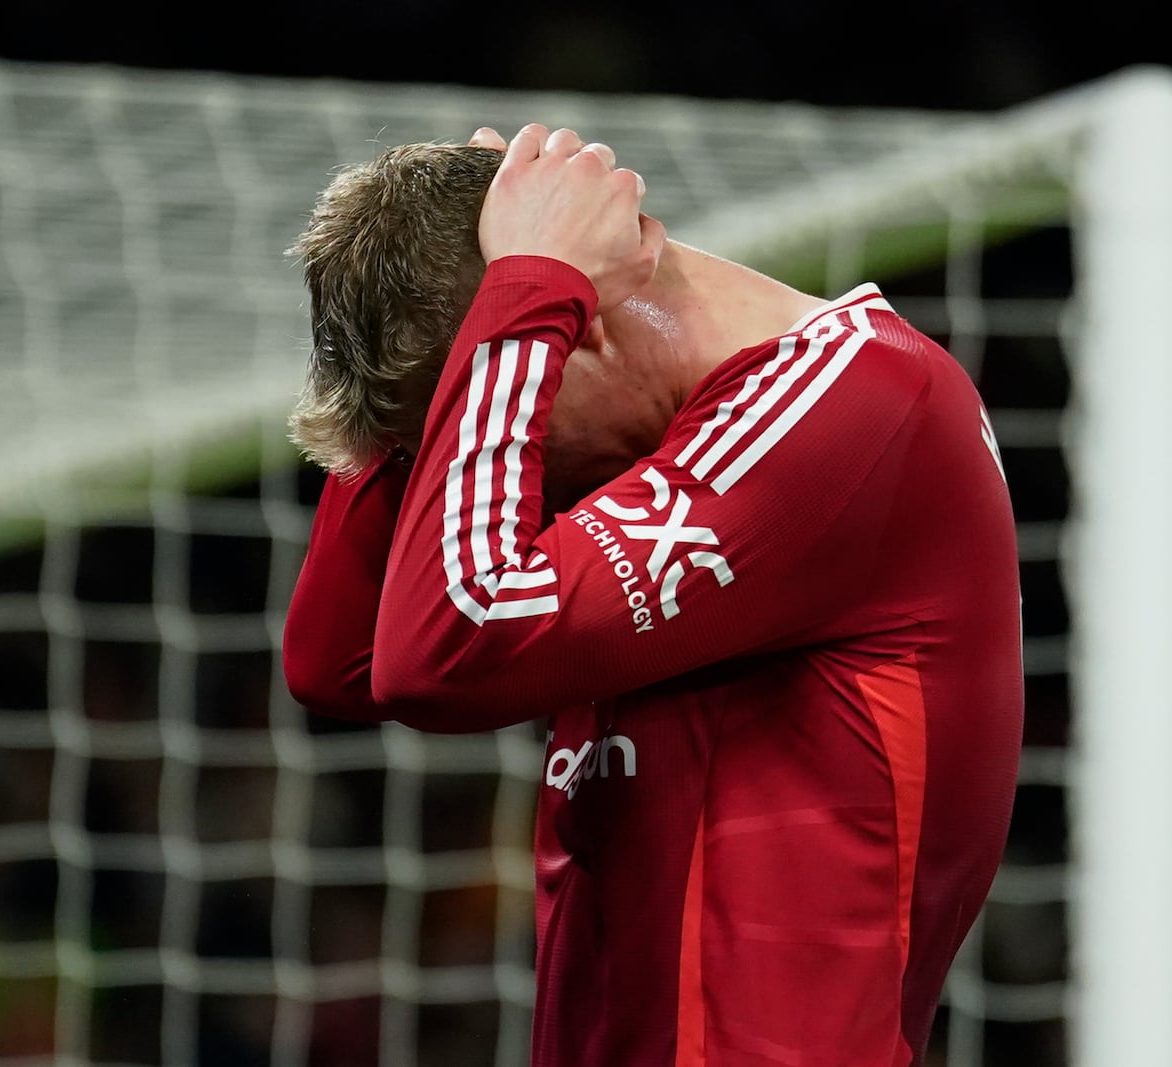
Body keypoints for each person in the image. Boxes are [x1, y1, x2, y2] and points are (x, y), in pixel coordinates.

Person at [281, 123, 1024, 1066]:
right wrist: (483, 294)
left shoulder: (861, 403)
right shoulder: (674, 439)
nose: (516, 475)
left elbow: (441, 645)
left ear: (575, 328)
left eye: (516, 428)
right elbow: (338, 658)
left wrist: (526, 288)